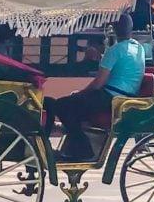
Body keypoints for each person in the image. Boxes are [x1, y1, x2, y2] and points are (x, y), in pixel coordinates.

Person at [44, 13, 146, 161]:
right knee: (72, 106)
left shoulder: (115, 50)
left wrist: (80, 93)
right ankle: (75, 146)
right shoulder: (139, 48)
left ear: (114, 29)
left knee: (60, 105)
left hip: (110, 97)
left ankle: (82, 148)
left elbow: (98, 83)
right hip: (125, 98)